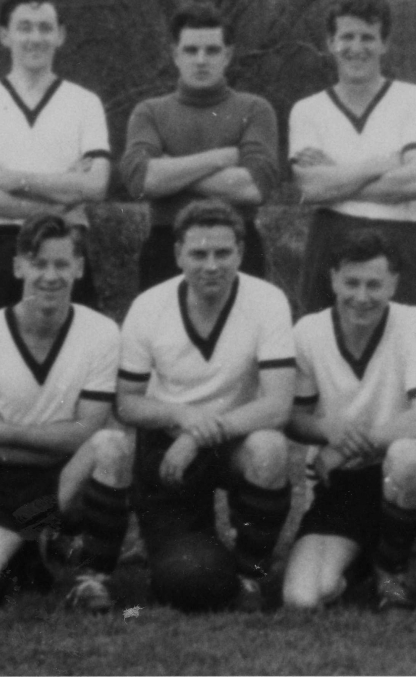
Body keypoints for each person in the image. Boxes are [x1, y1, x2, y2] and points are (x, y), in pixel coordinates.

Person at [0, 215, 130, 613]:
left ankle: (92, 579)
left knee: (110, 445)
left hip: (63, 484)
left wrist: (4, 431)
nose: (50, 276)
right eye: (38, 263)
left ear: (78, 268)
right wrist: (43, 450)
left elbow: (88, 430)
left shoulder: (101, 332)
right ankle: (31, 548)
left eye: (62, 264)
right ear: (18, 266)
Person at [117, 199, 297, 609]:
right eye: (198, 254)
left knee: (269, 448)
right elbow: (126, 404)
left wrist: (198, 435)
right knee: (193, 582)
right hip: (169, 448)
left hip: (233, 440)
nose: (211, 265)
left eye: (222, 253)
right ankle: (195, 553)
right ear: (178, 253)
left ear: (241, 252)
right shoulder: (149, 306)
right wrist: (182, 416)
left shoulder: (267, 300)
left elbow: (278, 405)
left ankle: (252, 572)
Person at [282, 230, 416, 612]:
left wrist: (345, 449)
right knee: (303, 598)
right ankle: (366, 554)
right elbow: (293, 419)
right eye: (351, 282)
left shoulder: (413, 322)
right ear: (333, 280)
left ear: (393, 284)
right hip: (338, 484)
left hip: (394, 474)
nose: (361, 296)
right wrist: (326, 430)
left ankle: (391, 567)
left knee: (411, 456)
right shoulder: (308, 331)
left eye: (374, 284)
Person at [0, 0, 110, 325]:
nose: (35, 38)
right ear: (4, 35)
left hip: (63, 248)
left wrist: (16, 180)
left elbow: (96, 185)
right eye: (24, 27)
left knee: (71, 349)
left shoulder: (85, 102)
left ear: (60, 35)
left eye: (45, 28)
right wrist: (59, 201)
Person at [289, 0, 416, 314]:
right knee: (321, 339)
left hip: (400, 239)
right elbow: (312, 188)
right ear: (331, 42)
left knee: (401, 340)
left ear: (384, 44)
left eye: (368, 37)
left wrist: (337, 175)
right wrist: (379, 164)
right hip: (330, 238)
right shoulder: (307, 109)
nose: (356, 47)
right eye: (347, 37)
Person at [120, 3, 279, 294]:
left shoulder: (255, 109)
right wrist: (220, 158)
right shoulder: (149, 112)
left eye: (212, 50)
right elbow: (141, 181)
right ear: (175, 55)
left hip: (237, 244)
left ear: (227, 55)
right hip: (166, 245)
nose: (201, 60)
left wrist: (172, 168)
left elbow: (254, 187)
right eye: (191, 50)